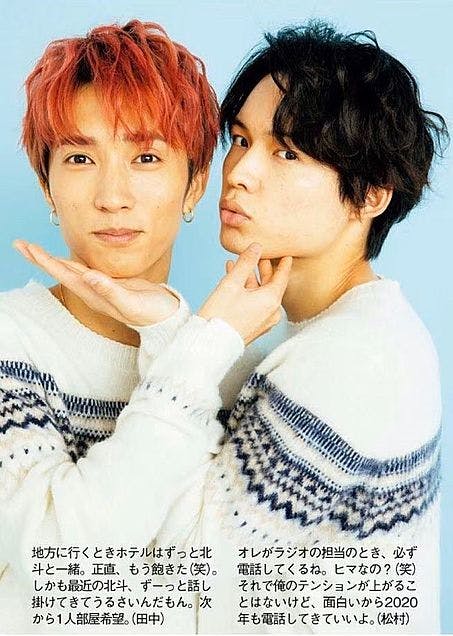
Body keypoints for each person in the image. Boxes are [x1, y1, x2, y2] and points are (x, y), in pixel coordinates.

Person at [11, 21, 447, 634]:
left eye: (287, 152)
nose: (239, 172)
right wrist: (186, 333)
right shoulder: (289, 348)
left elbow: (192, 596)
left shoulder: (355, 358)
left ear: (372, 194)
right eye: (240, 140)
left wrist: (186, 335)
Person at [0, 19, 291, 633]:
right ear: (47, 185)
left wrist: (180, 336)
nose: (113, 195)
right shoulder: (12, 340)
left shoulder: (232, 362)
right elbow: (61, 563)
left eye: (147, 157)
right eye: (80, 157)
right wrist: (200, 348)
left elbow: (230, 597)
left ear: (196, 185)